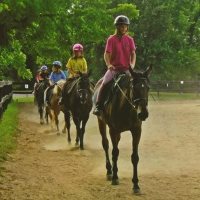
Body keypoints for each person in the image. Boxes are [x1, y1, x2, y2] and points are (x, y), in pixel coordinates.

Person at [93, 15, 136, 116]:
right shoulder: (111, 39)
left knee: (137, 84)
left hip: (127, 69)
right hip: (114, 69)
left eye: (125, 26)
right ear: (117, 27)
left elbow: (133, 53)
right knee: (104, 83)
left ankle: (139, 106)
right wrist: (109, 64)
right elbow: (106, 54)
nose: (124, 28)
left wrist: (132, 64)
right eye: (121, 26)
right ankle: (99, 106)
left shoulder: (130, 39)